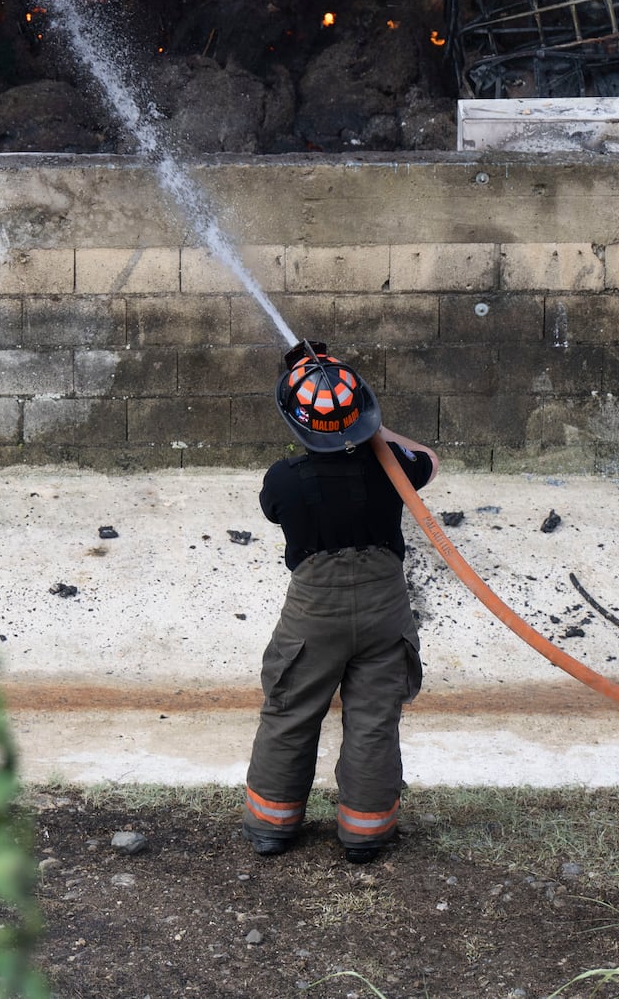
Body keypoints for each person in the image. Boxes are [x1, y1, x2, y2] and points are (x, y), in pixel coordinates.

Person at [240, 341, 438, 861]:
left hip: (314, 617)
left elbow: (273, 509)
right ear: (363, 417)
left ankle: (271, 826)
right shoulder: (392, 466)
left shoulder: (284, 480)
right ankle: (365, 834)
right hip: (383, 611)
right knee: (374, 719)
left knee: (290, 710)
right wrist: (373, 428)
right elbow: (430, 462)